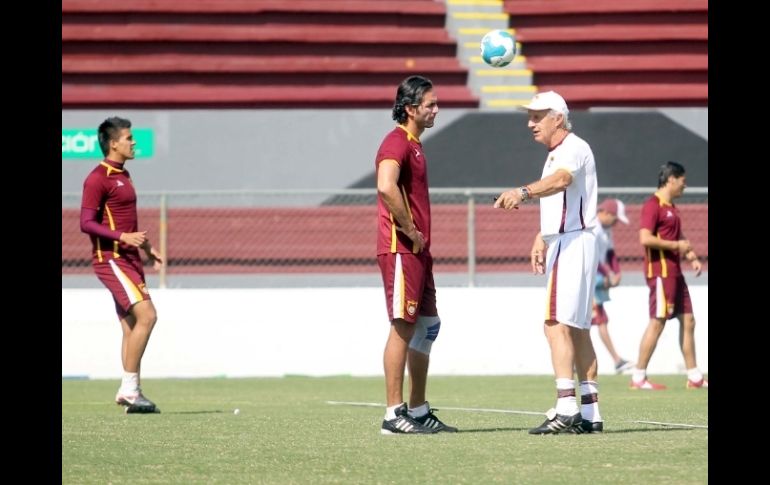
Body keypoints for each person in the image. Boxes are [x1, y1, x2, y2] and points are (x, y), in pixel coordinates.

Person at [494, 90, 603, 434]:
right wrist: (542, 235)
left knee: (554, 324)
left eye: (538, 116)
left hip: (573, 243)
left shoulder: (571, 147)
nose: (531, 123)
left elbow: (562, 181)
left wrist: (521, 193)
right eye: (529, 115)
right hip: (573, 239)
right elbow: (565, 197)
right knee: (578, 329)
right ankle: (590, 413)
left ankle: (566, 406)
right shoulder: (562, 150)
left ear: (558, 117)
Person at [375, 75, 457, 434]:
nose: (436, 109)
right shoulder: (396, 142)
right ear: (410, 109)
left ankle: (419, 409)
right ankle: (393, 414)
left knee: (428, 326)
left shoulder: (415, 145)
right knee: (403, 326)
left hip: (419, 251)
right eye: (430, 105)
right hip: (401, 249)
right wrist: (409, 230)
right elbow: (385, 185)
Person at [80, 116, 163, 413]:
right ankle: (129, 390)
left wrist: (148, 249)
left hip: (129, 258)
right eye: (129, 138)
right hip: (111, 259)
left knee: (131, 327)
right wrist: (123, 237)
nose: (134, 142)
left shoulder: (123, 175)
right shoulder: (97, 178)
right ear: (113, 143)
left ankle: (132, 392)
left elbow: (128, 221)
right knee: (148, 316)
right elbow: (86, 223)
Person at [630, 161, 708, 390]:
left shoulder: (671, 206)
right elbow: (645, 238)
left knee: (689, 320)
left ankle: (694, 377)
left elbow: (677, 234)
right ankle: (638, 377)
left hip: (676, 273)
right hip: (661, 273)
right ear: (671, 179)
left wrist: (691, 254)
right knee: (658, 322)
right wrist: (677, 246)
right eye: (683, 181)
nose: (685, 186)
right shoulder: (652, 205)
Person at [592, 198, 633, 374]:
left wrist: (616, 272)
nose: (616, 223)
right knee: (596, 321)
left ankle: (616, 361)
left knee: (596, 321)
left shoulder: (606, 230)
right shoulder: (592, 228)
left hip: (597, 278)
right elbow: (592, 257)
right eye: (615, 219)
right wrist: (607, 275)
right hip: (590, 279)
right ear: (606, 213)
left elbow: (610, 253)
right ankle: (616, 361)